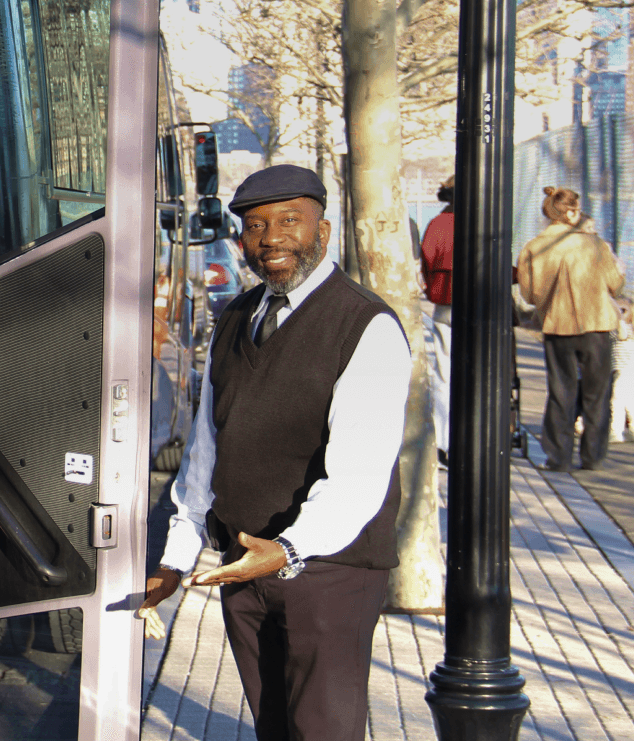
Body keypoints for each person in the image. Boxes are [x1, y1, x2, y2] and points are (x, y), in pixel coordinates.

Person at [137, 164, 412, 741]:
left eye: (290, 221)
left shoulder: (366, 326)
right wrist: (176, 559)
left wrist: (286, 549)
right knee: (273, 727)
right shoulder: (235, 317)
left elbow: (359, 476)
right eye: (256, 226)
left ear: (323, 231)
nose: (272, 239)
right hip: (244, 566)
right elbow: (206, 451)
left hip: (329, 572)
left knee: (322, 731)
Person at [516, 186, 624, 472]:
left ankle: (558, 457)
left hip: (557, 325)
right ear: (573, 212)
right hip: (597, 324)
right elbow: (615, 284)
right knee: (597, 393)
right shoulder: (595, 245)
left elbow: (529, 294)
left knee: (560, 391)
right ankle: (593, 456)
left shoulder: (534, 247)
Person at [420, 175, 455, 459]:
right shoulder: (484, 223)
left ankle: (444, 440)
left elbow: (427, 261)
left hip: (446, 303)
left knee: (444, 373)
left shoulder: (438, 224)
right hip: (482, 307)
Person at [609, 298, 634, 444]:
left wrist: (618, 317)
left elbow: (622, 334)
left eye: (622, 310)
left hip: (624, 373)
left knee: (617, 402)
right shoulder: (631, 332)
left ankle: (616, 432)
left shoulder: (622, 330)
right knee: (631, 405)